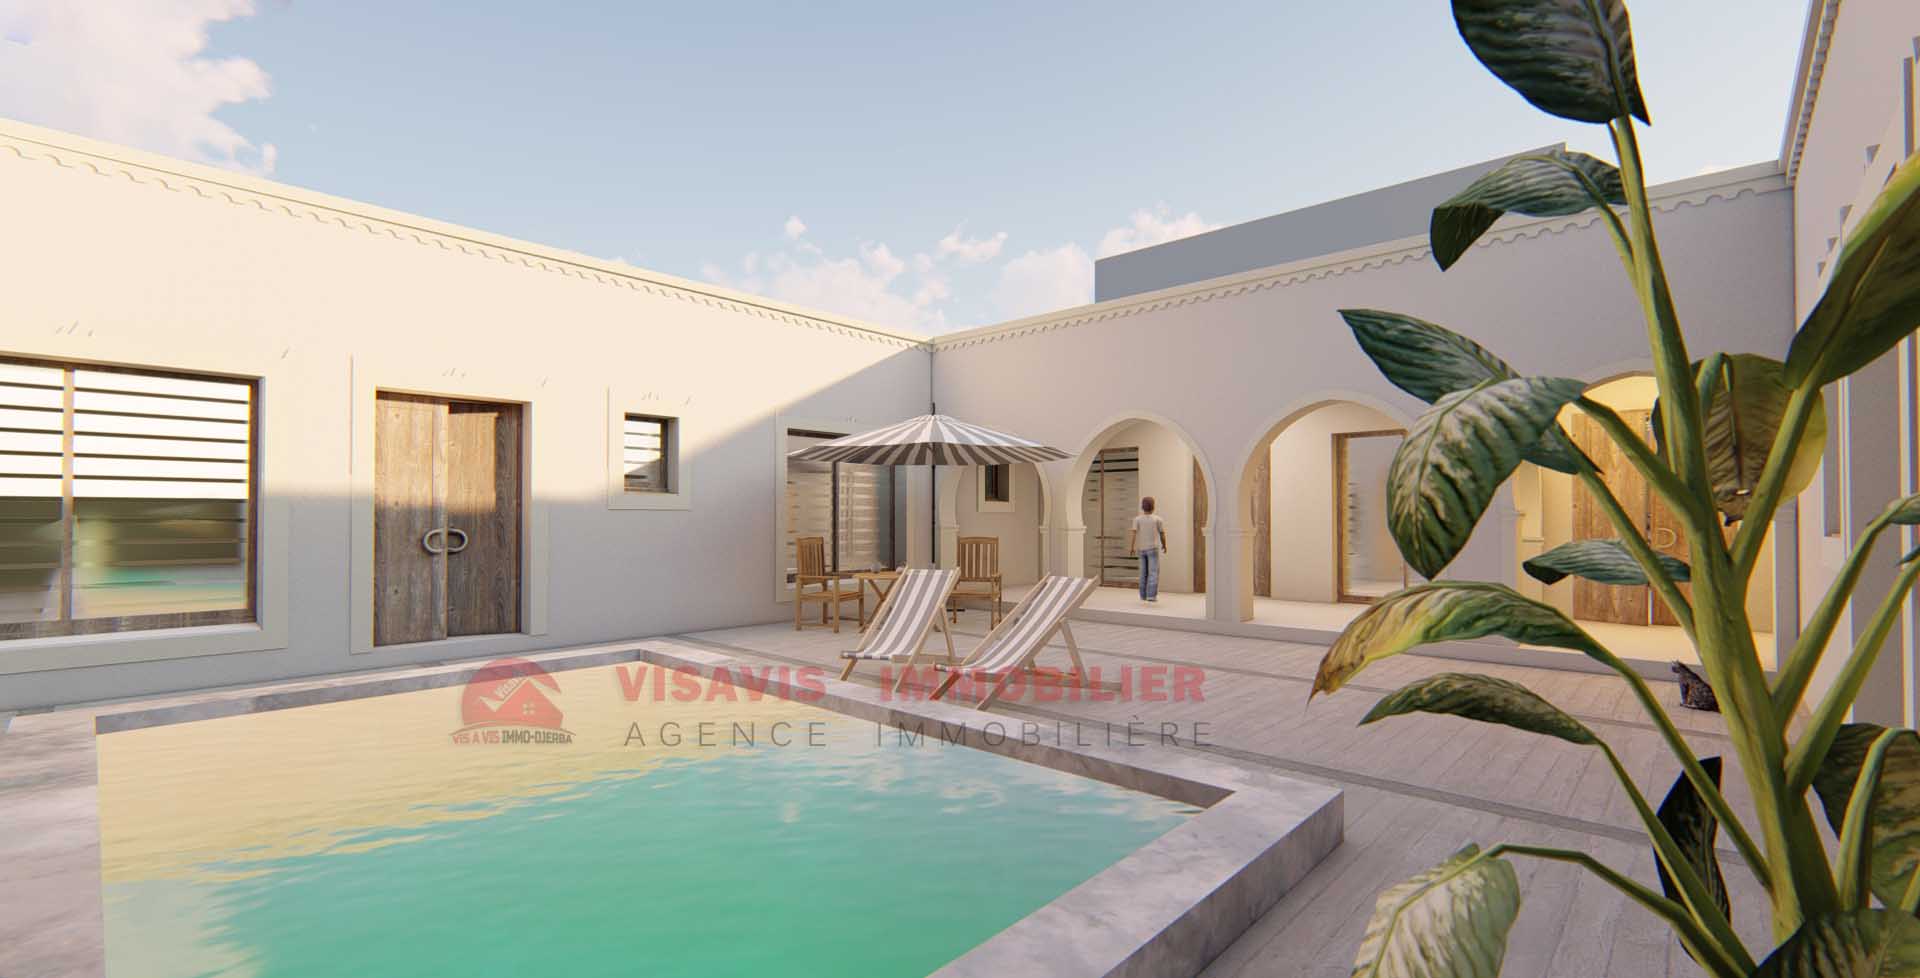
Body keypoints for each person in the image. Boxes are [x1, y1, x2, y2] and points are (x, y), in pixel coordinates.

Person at [1127, 496, 1168, 603]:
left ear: (1142, 506)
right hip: (1153, 549)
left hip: (1141, 549)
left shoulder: (1137, 519)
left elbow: (1134, 534)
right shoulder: (1158, 519)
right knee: (1153, 573)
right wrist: (1164, 545)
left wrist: (1132, 547)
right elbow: (1162, 534)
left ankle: (1143, 595)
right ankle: (1151, 596)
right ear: (1153, 506)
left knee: (1143, 573)